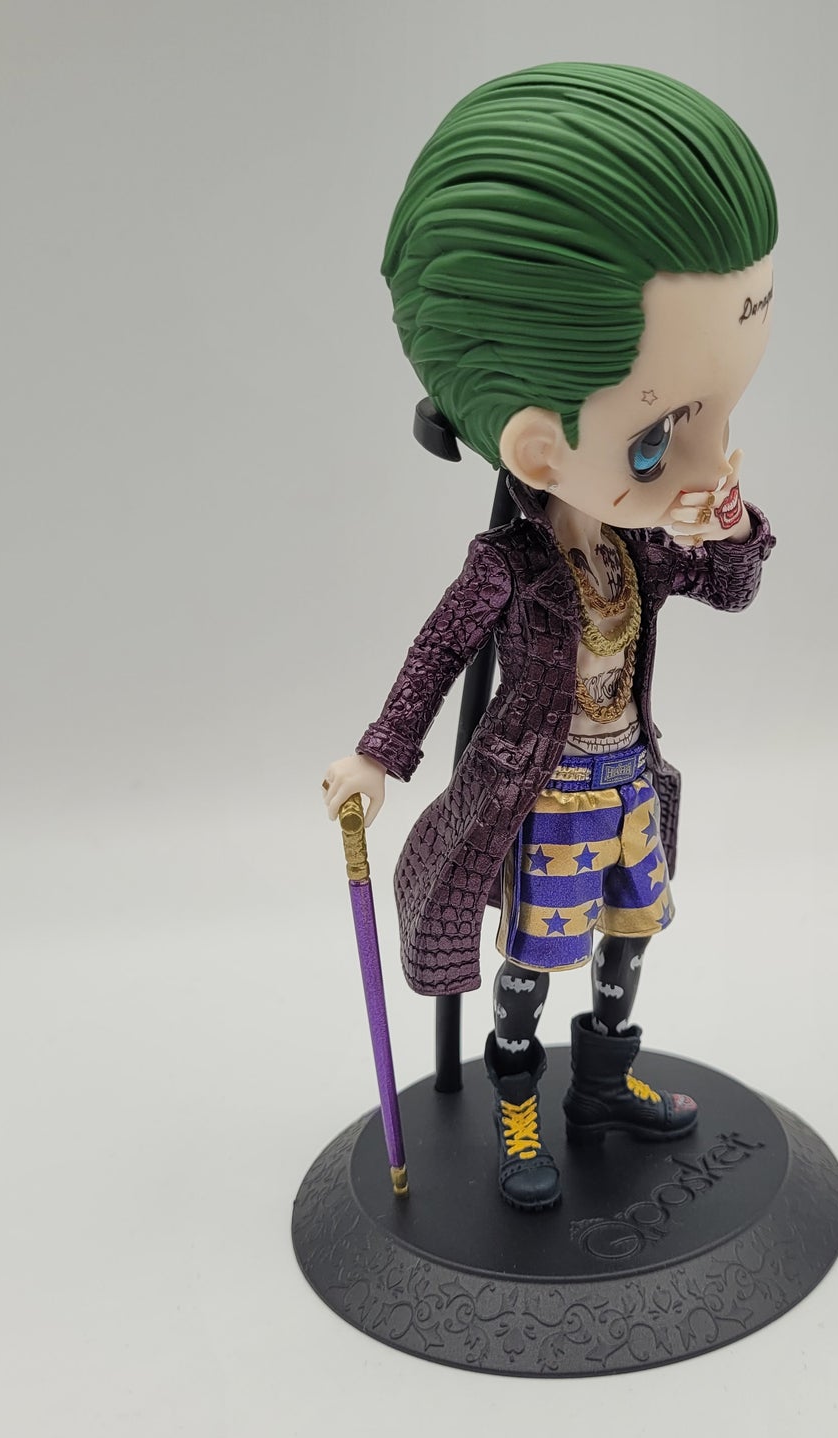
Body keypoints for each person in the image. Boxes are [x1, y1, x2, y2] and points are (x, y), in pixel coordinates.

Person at [321, 63, 778, 1210]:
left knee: (628, 938)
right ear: (536, 449)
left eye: (721, 412)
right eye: (658, 436)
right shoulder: (510, 565)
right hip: (546, 795)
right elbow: (436, 658)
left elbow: (730, 588)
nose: (702, 455)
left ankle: (602, 1084)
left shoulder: (641, 548)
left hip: (628, 782)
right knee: (530, 960)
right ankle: (517, 1107)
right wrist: (377, 757)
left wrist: (730, 522)